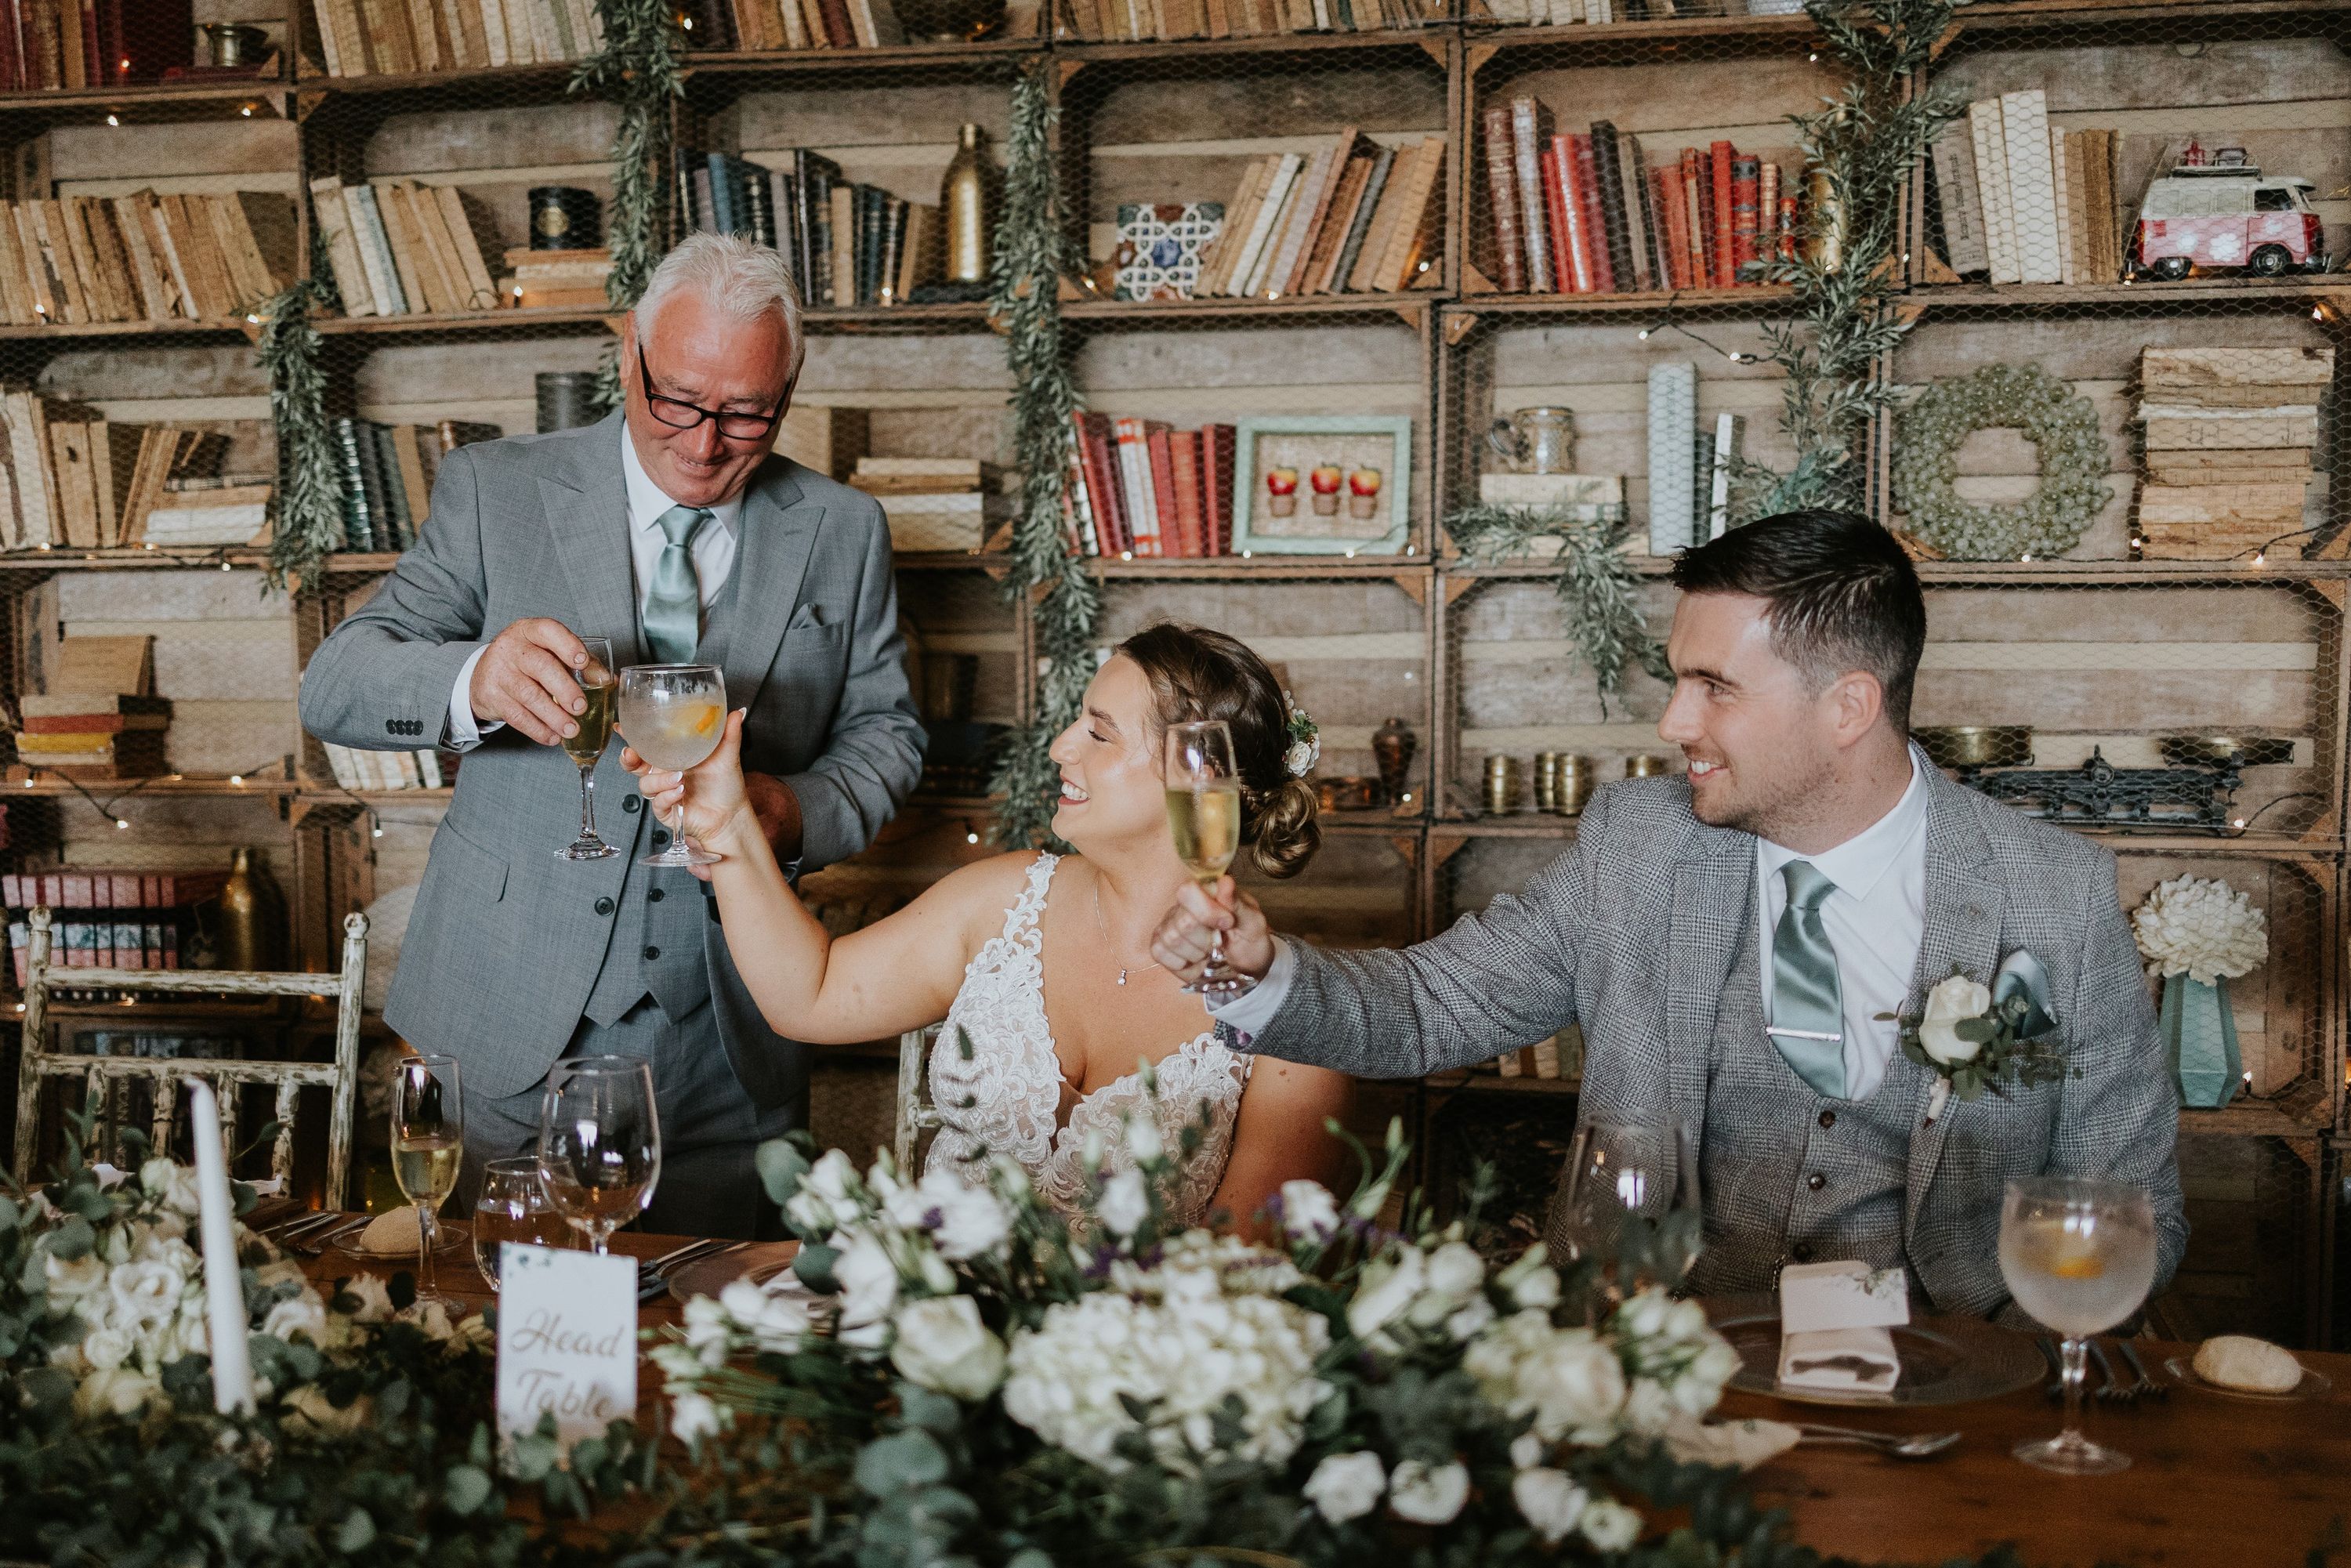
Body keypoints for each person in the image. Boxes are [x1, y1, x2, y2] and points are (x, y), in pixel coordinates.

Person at [1148, 510, 2188, 1316]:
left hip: (1954, 1398)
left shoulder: (2053, 893)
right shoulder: (1637, 845)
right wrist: (1259, 966)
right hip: (1657, 1367)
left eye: (1713, 687)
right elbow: (1428, 1005)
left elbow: (2135, 1205)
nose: (1672, 720)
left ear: (1849, 707)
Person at [299, 233, 925, 1238]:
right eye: (674, 398)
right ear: (625, 351)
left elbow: (886, 738)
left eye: (746, 413)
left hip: (732, 1043)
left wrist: (786, 810)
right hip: (500, 1025)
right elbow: (333, 681)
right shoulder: (494, 490)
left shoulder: (844, 529)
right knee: (483, 1343)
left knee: (712, 1354)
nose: (703, 441)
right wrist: (474, 678)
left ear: (792, 387)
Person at [629, 622, 1352, 1231]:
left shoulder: (1294, 1019)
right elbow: (808, 995)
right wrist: (724, 821)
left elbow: (1245, 1268)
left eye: (1097, 734)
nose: (1059, 747)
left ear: (1198, 777)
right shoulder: (1000, 898)